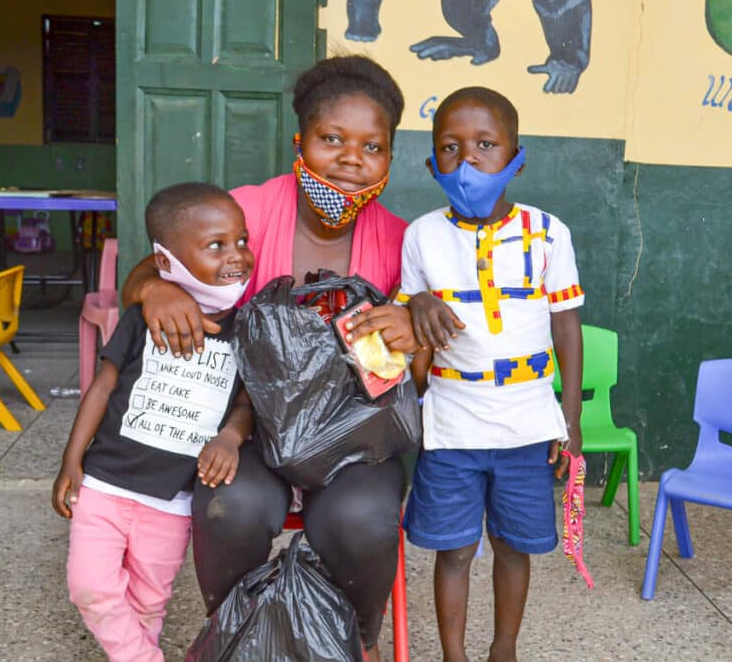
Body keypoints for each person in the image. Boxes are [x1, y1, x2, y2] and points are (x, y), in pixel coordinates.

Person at [121, 55, 418, 661]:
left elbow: (419, 354)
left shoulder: (400, 240)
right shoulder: (247, 211)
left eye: (372, 146)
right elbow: (150, 270)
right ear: (300, 142)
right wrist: (155, 289)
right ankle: (240, 636)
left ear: (389, 157)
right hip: (248, 424)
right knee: (230, 505)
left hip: (354, 433)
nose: (350, 158)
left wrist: (411, 326)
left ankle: (351, 641)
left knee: (363, 520)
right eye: (331, 138)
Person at [399, 86, 584, 662]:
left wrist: (569, 419)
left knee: (512, 545)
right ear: (432, 162)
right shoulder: (422, 235)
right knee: (451, 551)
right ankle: (454, 656)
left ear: (515, 157)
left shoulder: (550, 233)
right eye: (450, 148)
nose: (468, 160)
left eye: (485, 145)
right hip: (451, 425)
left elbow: (566, 328)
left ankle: (504, 648)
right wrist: (415, 302)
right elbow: (402, 328)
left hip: (526, 423)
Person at [53, 183, 255, 662]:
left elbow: (246, 403)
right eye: (216, 245)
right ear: (166, 263)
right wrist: (71, 460)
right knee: (90, 588)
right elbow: (101, 387)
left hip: (172, 500)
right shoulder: (144, 318)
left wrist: (230, 436)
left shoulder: (246, 330)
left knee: (149, 602)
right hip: (105, 484)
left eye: (242, 241)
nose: (237, 256)